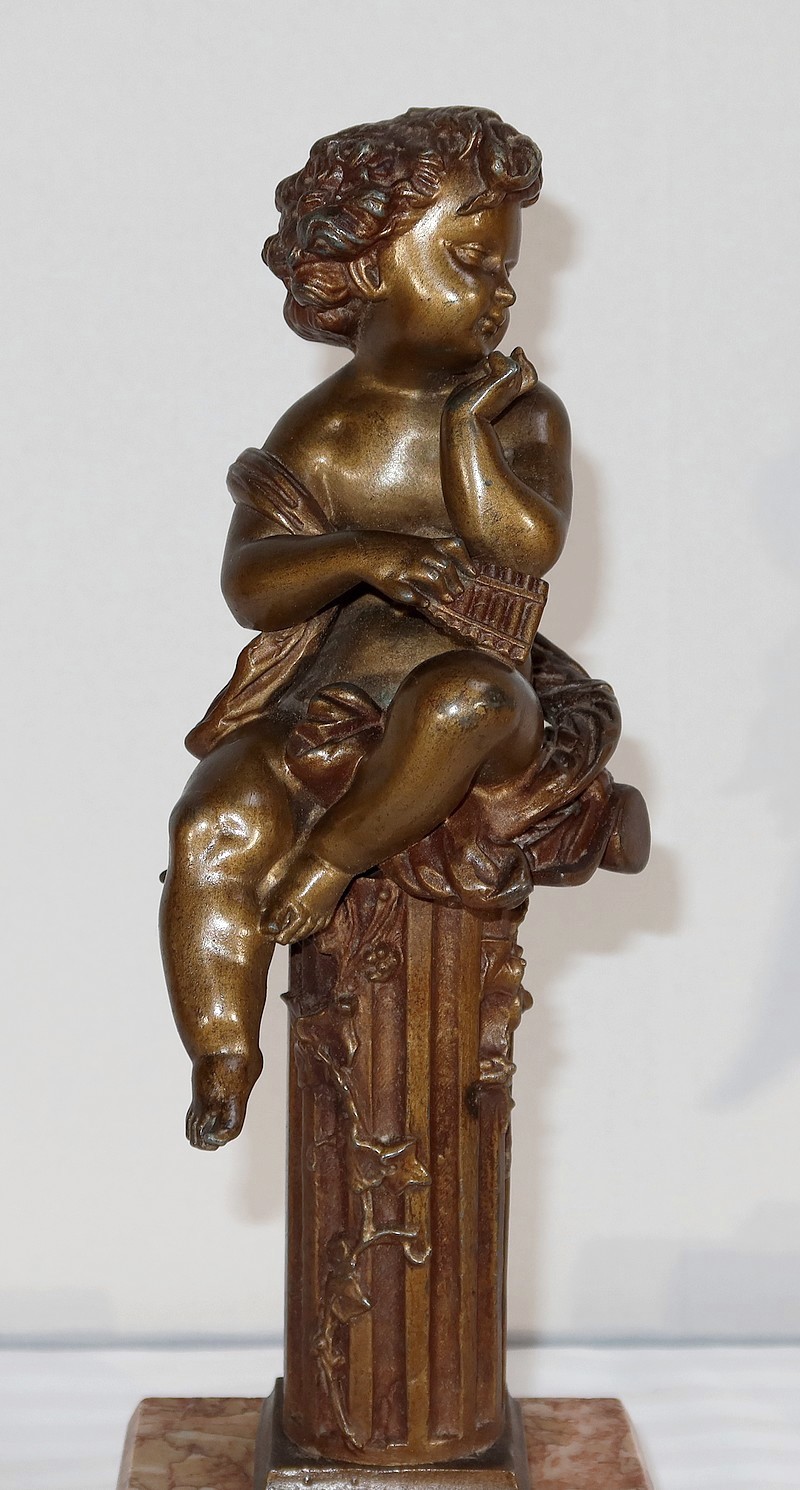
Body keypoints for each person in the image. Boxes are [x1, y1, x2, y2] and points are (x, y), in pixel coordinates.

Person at [160, 107, 616, 1151]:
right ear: (368, 270)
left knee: (460, 701)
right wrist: (361, 554)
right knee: (212, 822)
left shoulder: (520, 415)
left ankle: (331, 856)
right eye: (470, 262)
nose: (500, 294)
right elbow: (252, 584)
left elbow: (526, 547)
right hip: (331, 700)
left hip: (486, 700)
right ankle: (223, 1050)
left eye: (505, 269)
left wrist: (464, 435)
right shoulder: (321, 433)